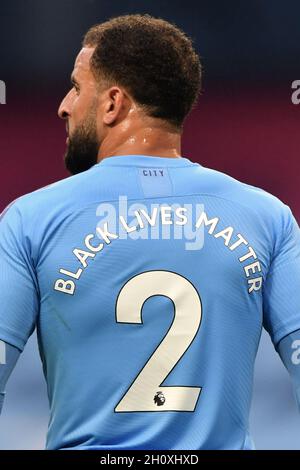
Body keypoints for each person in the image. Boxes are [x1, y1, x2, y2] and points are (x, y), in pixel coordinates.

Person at [0, 13, 299, 450]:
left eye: (78, 87)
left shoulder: (32, 219)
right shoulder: (267, 217)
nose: (64, 105)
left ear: (112, 103)